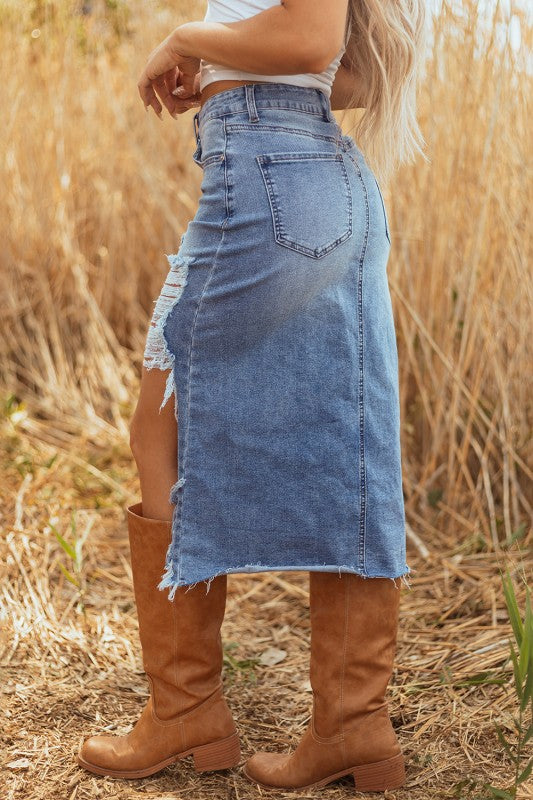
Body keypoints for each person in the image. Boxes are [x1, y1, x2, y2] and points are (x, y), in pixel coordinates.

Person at [77, 0, 427, 792]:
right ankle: (352, 727)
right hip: (318, 181)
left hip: (268, 179)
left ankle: (186, 711)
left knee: (159, 433)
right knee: (351, 443)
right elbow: (348, 69)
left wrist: (186, 40)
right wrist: (230, 70)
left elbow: (308, 39)